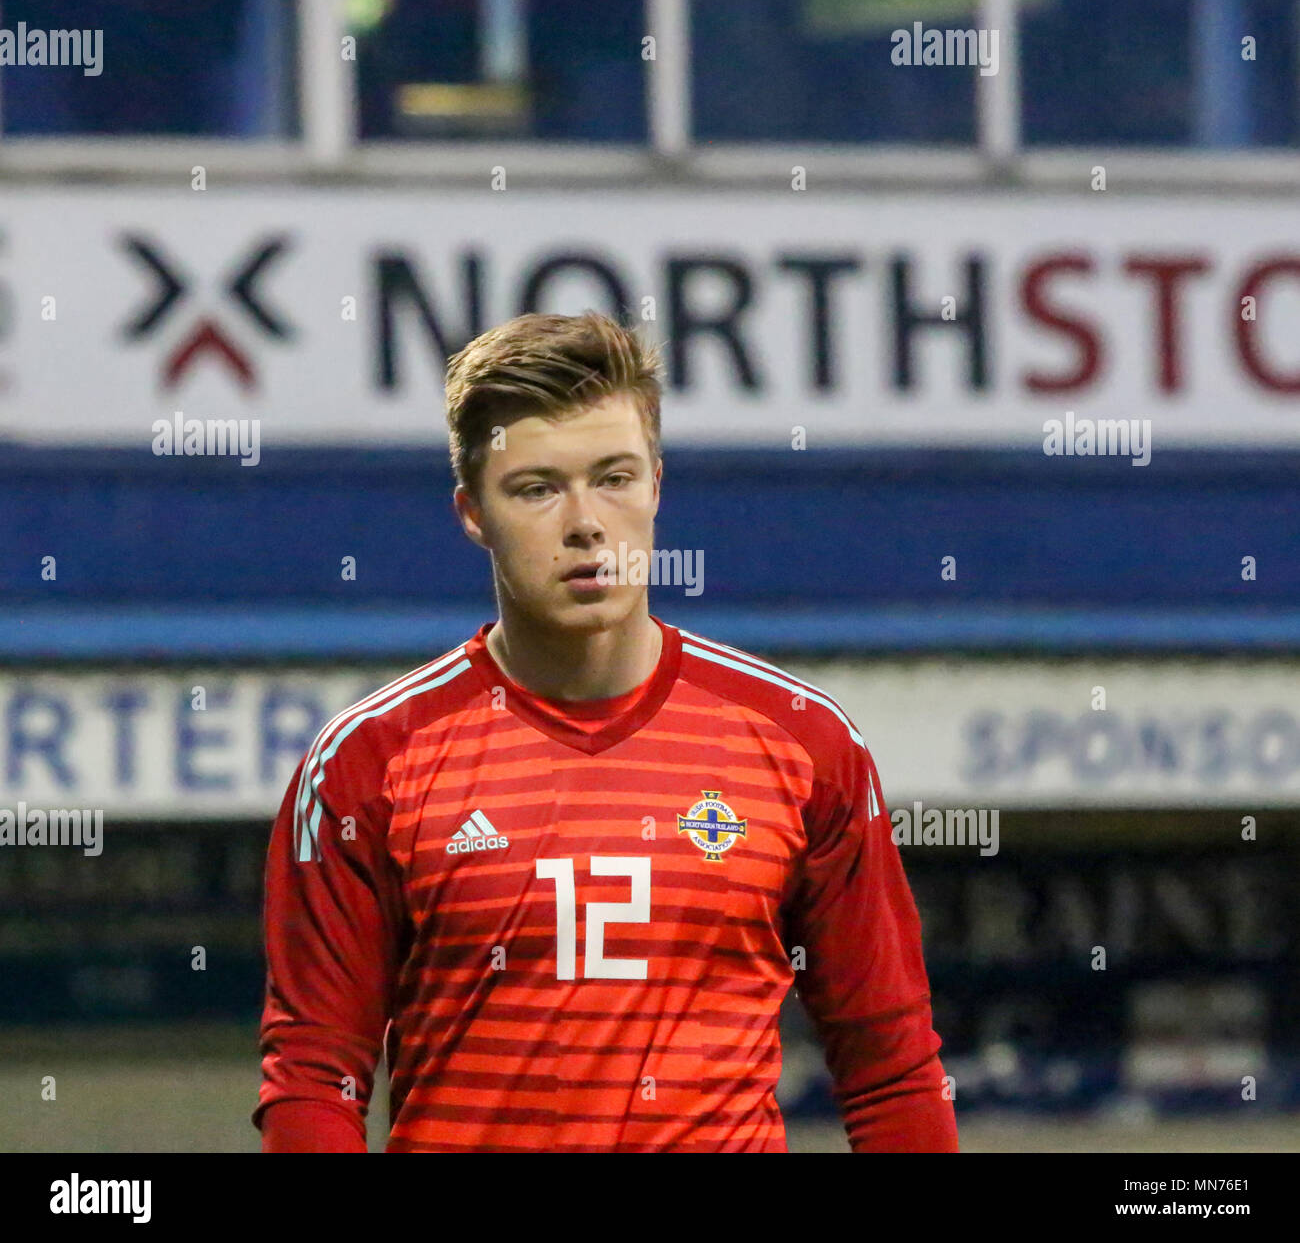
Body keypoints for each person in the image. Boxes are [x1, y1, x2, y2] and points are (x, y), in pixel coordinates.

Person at [254, 309, 958, 1152]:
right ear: (472, 511)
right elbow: (313, 1076)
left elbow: (892, 1071)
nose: (585, 523)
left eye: (614, 478)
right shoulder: (367, 765)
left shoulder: (806, 746)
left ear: (657, 484)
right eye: (537, 488)